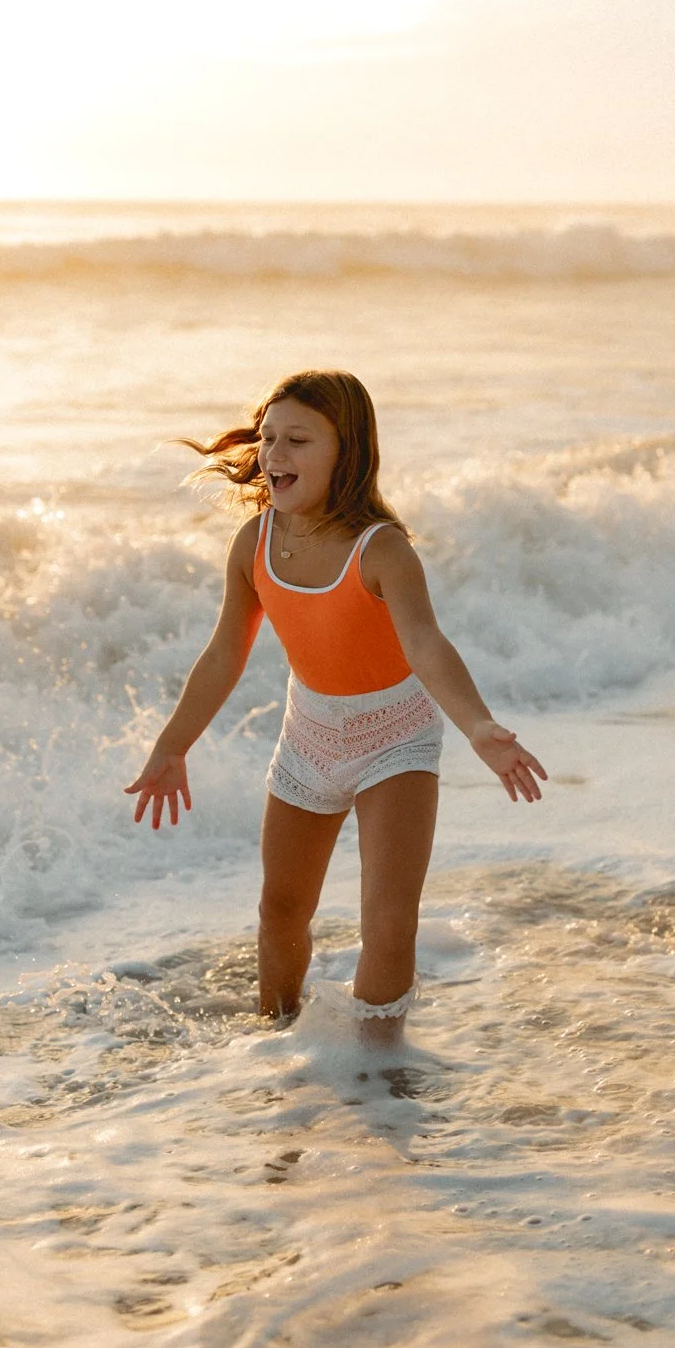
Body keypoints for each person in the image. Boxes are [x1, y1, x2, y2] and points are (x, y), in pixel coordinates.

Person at [124, 369, 546, 1028]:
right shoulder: (253, 544)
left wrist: (477, 726)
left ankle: (376, 1068)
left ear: (345, 452)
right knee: (281, 909)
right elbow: (222, 654)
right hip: (309, 737)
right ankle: (276, 1036)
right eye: (268, 438)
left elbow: (426, 645)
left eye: (297, 440)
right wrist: (172, 744)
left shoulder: (381, 550)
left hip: (396, 739)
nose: (274, 454)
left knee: (387, 920)